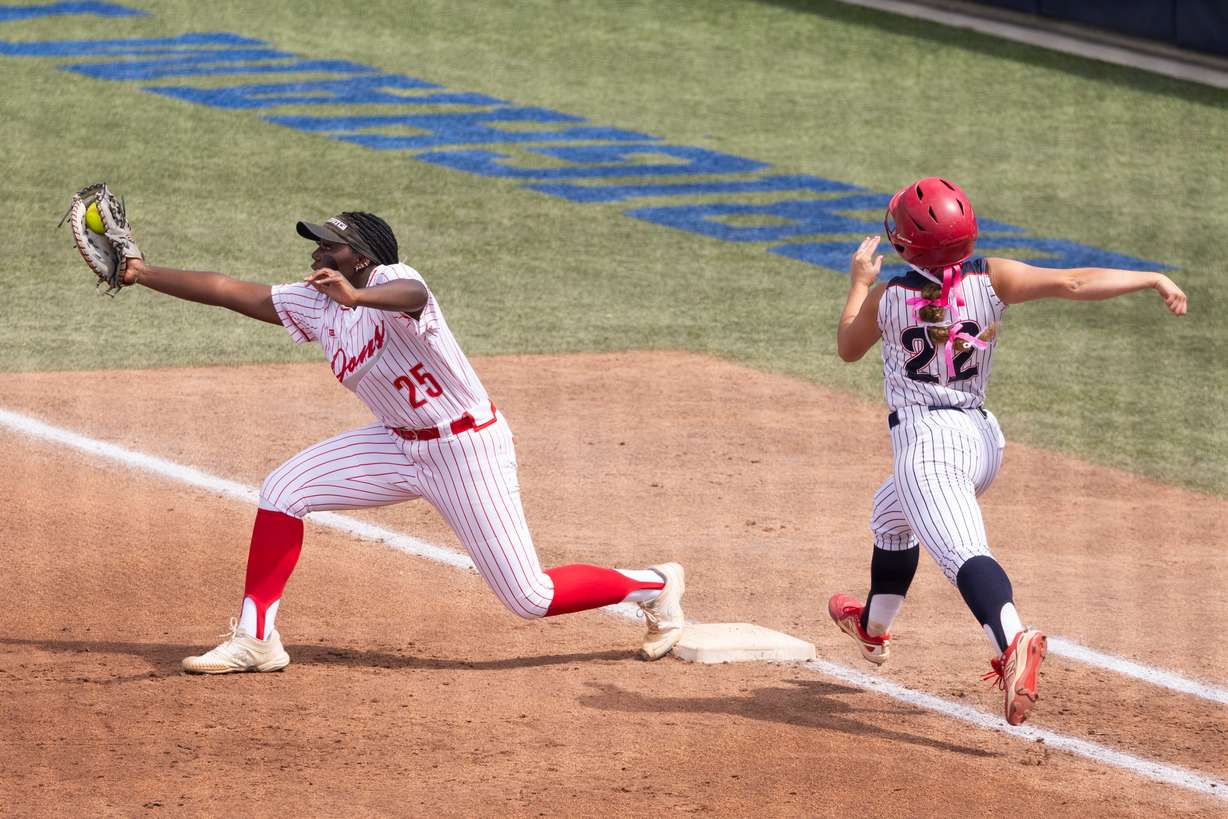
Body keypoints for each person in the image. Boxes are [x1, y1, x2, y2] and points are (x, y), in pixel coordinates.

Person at [117, 211, 686, 673]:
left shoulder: (391, 280)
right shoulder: (316, 302)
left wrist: (357, 298)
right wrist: (142, 272)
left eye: (329, 246)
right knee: (284, 488)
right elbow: (226, 290)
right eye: (316, 243)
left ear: (361, 257)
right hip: (396, 444)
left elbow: (412, 293)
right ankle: (257, 638)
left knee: (529, 597)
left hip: (466, 450)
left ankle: (655, 586)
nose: (317, 253)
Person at [827, 177, 1186, 725]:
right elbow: (1072, 281)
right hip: (981, 441)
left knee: (963, 553)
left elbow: (848, 347)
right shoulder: (993, 277)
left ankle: (1013, 640)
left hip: (929, 448)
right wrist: (1152, 277)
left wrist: (858, 282)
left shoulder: (889, 296)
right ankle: (873, 629)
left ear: (904, 245)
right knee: (889, 519)